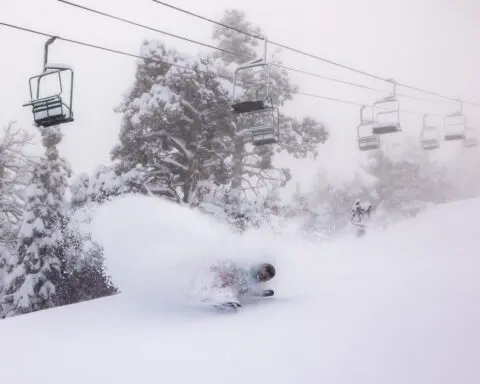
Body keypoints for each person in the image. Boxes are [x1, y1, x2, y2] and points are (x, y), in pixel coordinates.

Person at [209, 261, 276, 309]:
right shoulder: (250, 271)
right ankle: (222, 297)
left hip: (228, 277)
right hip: (226, 275)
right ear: (262, 268)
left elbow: (247, 289)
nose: (262, 279)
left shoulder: (254, 277)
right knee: (229, 282)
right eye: (263, 275)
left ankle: (221, 295)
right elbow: (244, 285)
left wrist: (260, 293)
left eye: (265, 279)